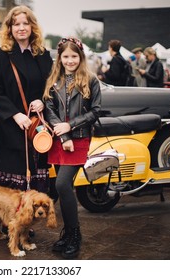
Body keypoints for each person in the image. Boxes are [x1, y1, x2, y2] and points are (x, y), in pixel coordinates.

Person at [0, 5, 53, 195]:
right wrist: (15, 114)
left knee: (35, 178)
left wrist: (42, 101)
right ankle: (9, 224)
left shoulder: (43, 55)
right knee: (12, 184)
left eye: (25, 23)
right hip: (10, 128)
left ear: (32, 27)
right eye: (16, 24)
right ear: (10, 28)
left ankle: (27, 223)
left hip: (37, 126)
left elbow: (52, 87)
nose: (21, 28)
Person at [43, 37, 101, 259]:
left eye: (74, 56)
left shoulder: (90, 80)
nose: (70, 60)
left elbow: (95, 111)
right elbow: (49, 109)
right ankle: (67, 233)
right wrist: (64, 133)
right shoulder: (54, 80)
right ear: (60, 58)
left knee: (62, 184)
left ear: (81, 57)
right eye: (66, 56)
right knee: (61, 187)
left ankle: (75, 234)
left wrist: (71, 126)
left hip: (79, 139)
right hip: (59, 139)